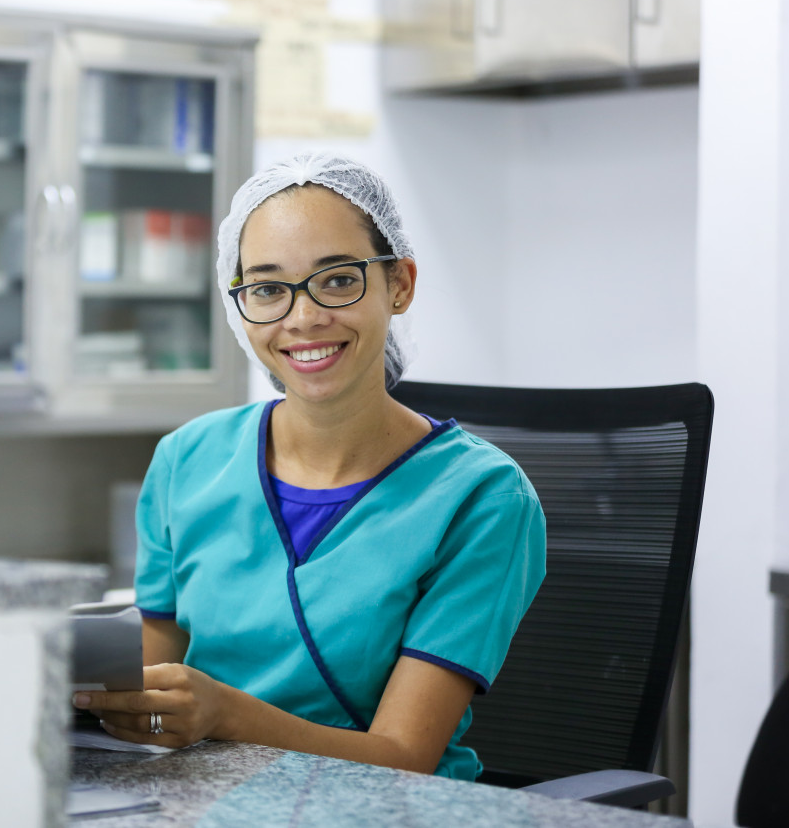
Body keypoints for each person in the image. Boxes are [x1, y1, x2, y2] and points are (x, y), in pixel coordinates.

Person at [73, 152, 546, 780]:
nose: (304, 318)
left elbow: (404, 758)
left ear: (400, 284)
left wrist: (223, 714)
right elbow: (147, 690)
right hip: (205, 801)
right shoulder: (187, 460)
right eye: (268, 289)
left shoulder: (482, 498)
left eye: (339, 280)